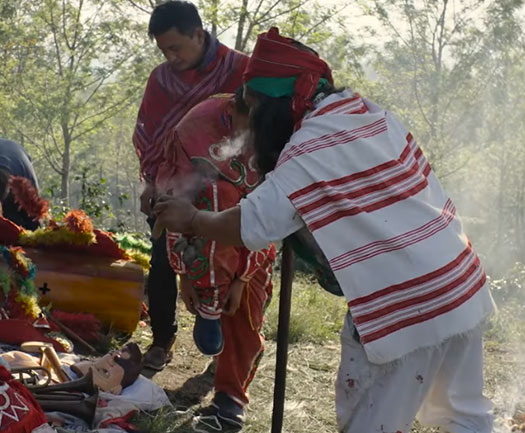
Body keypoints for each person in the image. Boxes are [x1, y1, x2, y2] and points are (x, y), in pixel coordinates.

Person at [154, 27, 495, 433]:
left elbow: (251, 224)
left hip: (405, 305)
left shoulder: (309, 148)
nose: (253, 125)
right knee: (464, 418)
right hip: (461, 285)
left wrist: (192, 220)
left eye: (257, 109)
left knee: (370, 424)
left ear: (279, 105)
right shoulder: (364, 111)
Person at [134, 0, 249, 371]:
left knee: (231, 267)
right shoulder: (161, 80)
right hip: (174, 186)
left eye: (175, 48)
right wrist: (151, 183)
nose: (170, 57)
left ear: (198, 34)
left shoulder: (241, 70)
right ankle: (162, 339)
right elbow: (151, 135)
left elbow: (257, 131)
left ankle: (224, 355)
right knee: (164, 264)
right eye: (163, 50)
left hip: (229, 189)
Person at [156, 89, 275, 429]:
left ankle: (229, 400)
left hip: (250, 243)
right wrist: (185, 275)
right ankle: (209, 309)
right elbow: (174, 203)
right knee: (217, 195)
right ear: (232, 110)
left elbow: (270, 216)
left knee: (245, 322)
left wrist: (242, 279)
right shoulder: (195, 129)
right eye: (245, 124)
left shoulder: (278, 137)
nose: (248, 135)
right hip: (199, 241)